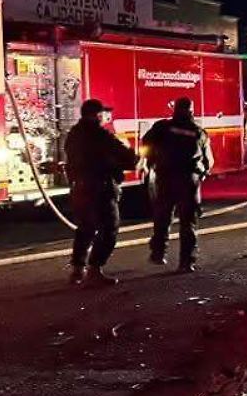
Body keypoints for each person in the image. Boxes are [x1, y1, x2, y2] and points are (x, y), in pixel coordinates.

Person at [64, 99, 138, 286]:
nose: (105, 117)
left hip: (79, 187)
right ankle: (95, 270)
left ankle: (78, 269)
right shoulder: (100, 135)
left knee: (86, 228)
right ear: (97, 115)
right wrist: (135, 158)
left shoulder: (73, 134)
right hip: (101, 188)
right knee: (109, 228)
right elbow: (126, 157)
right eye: (102, 114)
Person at [141, 97, 214, 273]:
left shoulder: (161, 127)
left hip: (165, 178)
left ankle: (158, 253)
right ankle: (186, 262)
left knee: (162, 217)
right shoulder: (198, 132)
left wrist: (151, 161)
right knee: (188, 222)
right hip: (189, 181)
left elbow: (146, 143)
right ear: (191, 111)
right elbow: (209, 160)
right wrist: (203, 172)